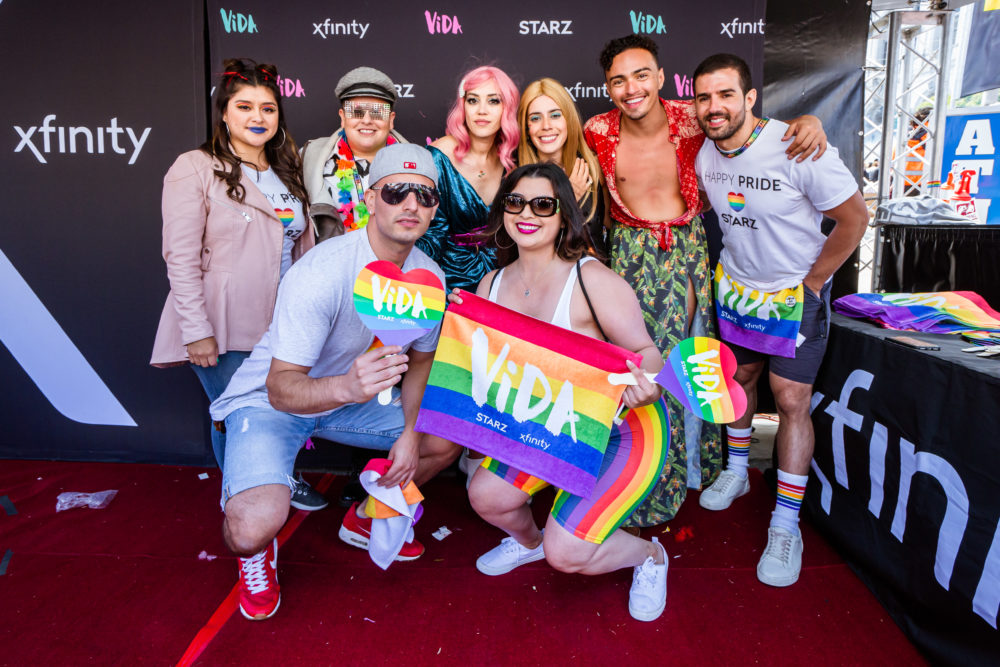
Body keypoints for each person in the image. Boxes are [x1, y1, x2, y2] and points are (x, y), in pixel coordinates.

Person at [208, 144, 462, 620]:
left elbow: (423, 363)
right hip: (271, 403)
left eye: (424, 196)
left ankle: (366, 517)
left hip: (350, 399)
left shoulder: (429, 276)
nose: (411, 205)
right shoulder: (323, 271)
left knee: (444, 437)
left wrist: (409, 434)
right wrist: (347, 386)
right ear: (370, 199)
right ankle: (258, 556)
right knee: (250, 528)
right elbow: (282, 388)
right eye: (397, 192)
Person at [583, 34, 828, 528]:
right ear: (607, 87)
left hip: (689, 251)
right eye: (618, 80)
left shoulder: (692, 117)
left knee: (692, 364)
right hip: (629, 253)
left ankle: (697, 471)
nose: (631, 88)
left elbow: (752, 129)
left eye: (641, 75)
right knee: (636, 368)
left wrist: (809, 122)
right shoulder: (596, 130)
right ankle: (638, 476)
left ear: (658, 77)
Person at [455, 162, 670, 622]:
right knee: (486, 497)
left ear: (563, 216)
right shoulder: (490, 285)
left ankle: (650, 557)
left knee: (567, 555)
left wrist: (644, 383)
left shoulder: (591, 280)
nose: (526, 213)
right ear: (503, 211)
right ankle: (527, 544)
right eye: (515, 202)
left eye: (542, 204)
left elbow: (648, 353)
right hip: (549, 425)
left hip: (622, 430)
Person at [691, 54, 867, 587]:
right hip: (738, 291)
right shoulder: (703, 153)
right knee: (739, 381)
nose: (714, 107)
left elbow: (855, 218)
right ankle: (738, 472)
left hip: (794, 295)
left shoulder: (798, 145)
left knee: (790, 400)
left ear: (750, 98)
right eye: (703, 97)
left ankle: (785, 521)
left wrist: (813, 284)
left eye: (726, 95)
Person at [150, 58, 326, 511]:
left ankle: (274, 480)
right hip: (223, 321)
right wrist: (196, 330)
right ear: (224, 114)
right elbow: (180, 256)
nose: (257, 118)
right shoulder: (195, 167)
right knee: (239, 415)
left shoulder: (289, 171)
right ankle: (245, 500)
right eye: (244, 106)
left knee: (272, 410)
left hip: (282, 321)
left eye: (268, 109)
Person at [416, 66, 519, 292]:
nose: (481, 110)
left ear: (507, 108)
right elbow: (428, 234)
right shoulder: (437, 158)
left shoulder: (513, 160)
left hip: (502, 274)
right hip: (447, 279)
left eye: (493, 101)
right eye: (473, 101)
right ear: (463, 107)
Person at [301, 66, 407, 241]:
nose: (366, 120)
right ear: (343, 117)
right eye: (356, 112)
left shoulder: (415, 163)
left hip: (395, 265)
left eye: (377, 112)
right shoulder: (310, 157)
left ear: (391, 120)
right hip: (331, 263)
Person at [517, 77, 607, 258]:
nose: (546, 126)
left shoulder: (594, 169)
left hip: (593, 278)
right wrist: (568, 197)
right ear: (527, 128)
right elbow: (529, 243)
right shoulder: (517, 179)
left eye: (555, 115)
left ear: (569, 120)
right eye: (535, 118)